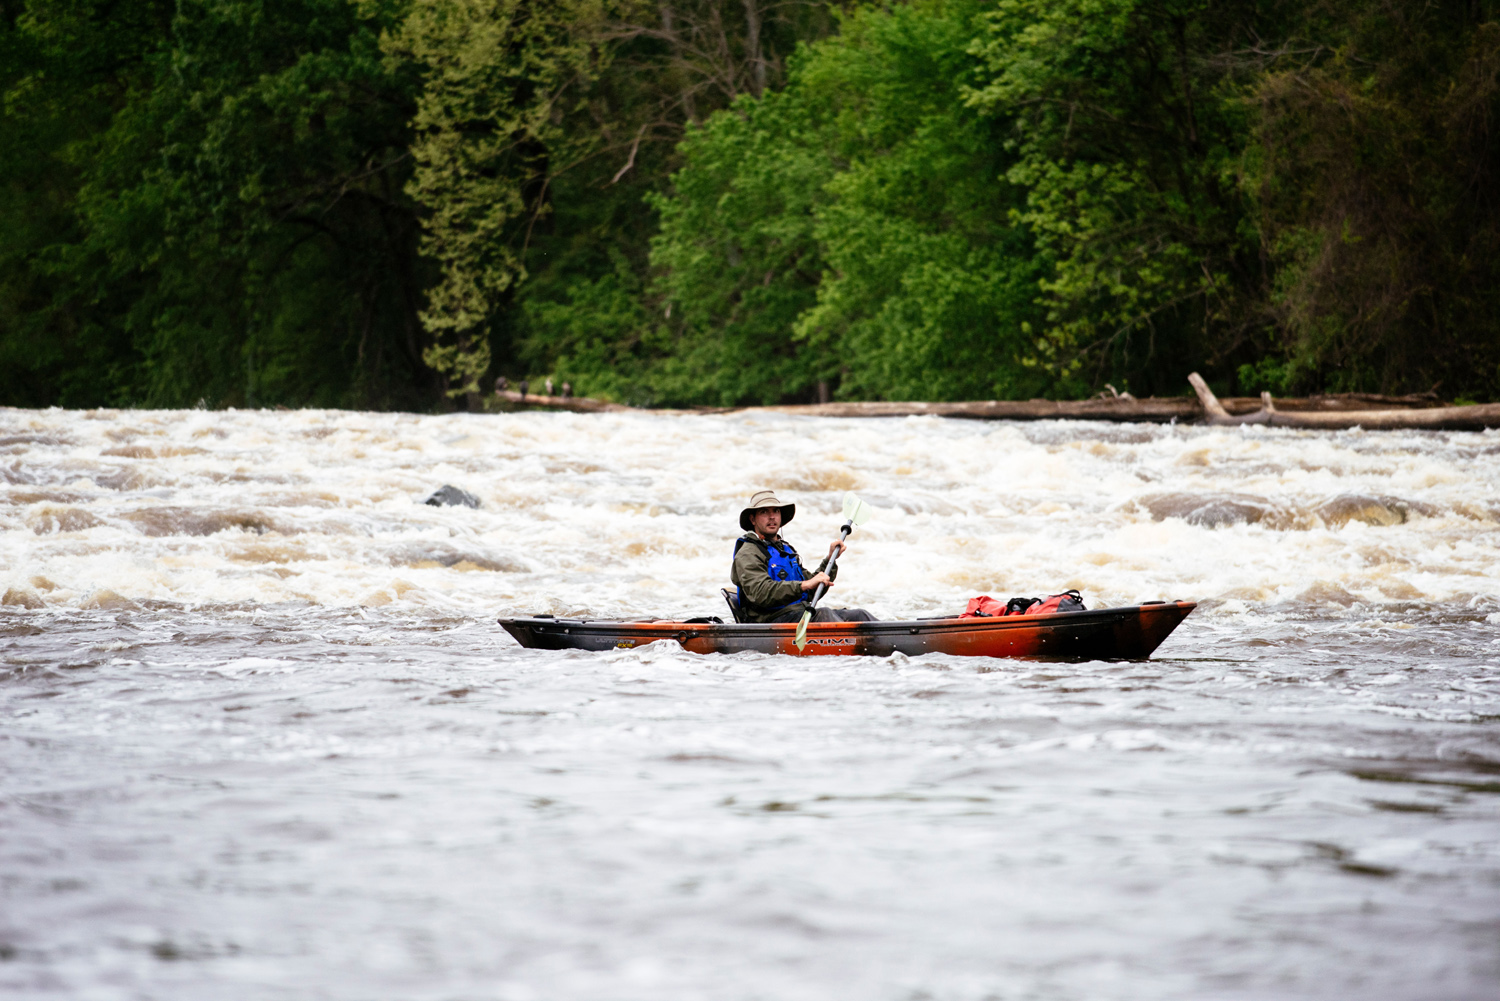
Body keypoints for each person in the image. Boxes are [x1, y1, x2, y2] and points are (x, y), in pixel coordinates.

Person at [730, 489, 875, 624]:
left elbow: (812, 591)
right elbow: (761, 593)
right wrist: (804, 585)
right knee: (823, 614)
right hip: (769, 622)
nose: (772, 516)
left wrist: (830, 559)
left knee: (859, 615)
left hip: (798, 614)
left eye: (776, 511)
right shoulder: (748, 553)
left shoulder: (784, 549)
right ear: (753, 519)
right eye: (764, 512)